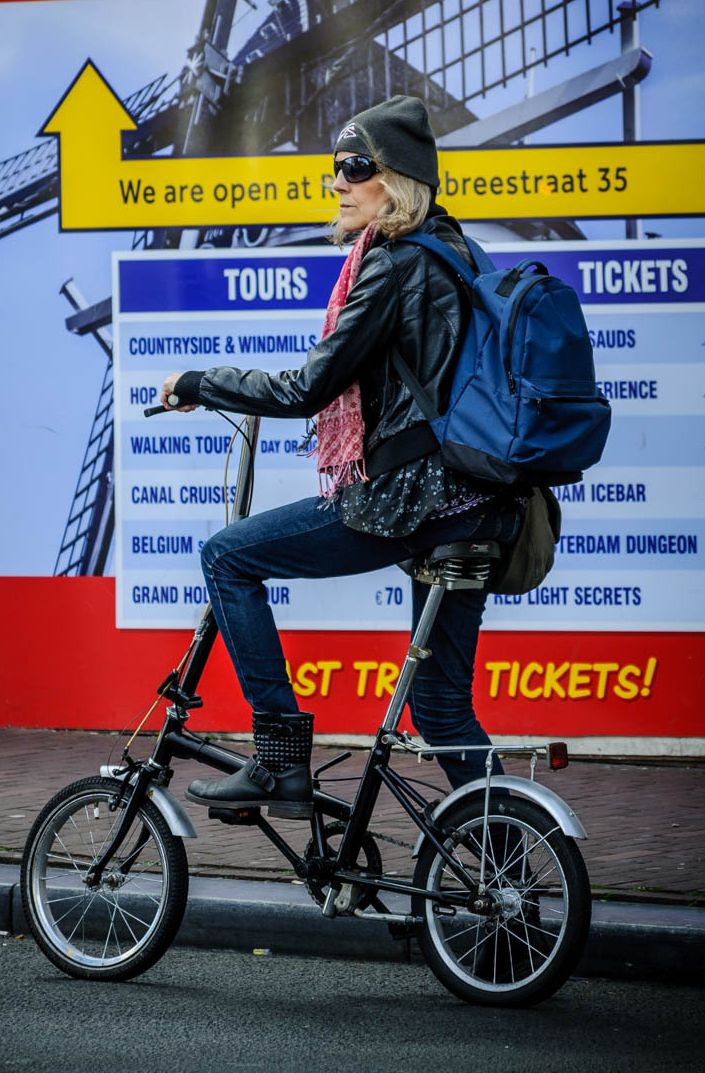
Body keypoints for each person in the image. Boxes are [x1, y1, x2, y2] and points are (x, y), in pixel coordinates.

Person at [160, 95, 522, 820]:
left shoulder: (393, 265)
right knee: (441, 707)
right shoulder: (457, 252)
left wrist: (201, 382)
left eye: (355, 167)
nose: (338, 182)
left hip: (413, 499)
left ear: (397, 181)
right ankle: (507, 872)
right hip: (481, 503)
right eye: (336, 167)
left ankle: (278, 760)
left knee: (227, 557)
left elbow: (308, 389)